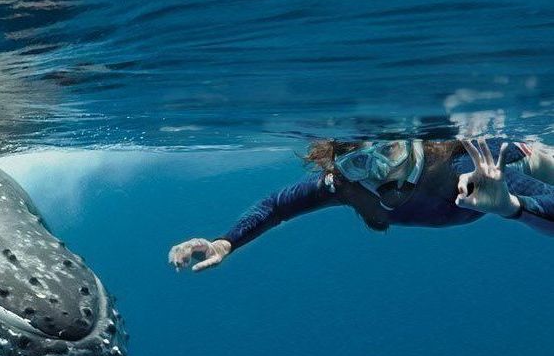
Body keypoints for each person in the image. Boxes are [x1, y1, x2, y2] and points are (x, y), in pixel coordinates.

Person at [168, 138, 554, 272]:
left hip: (523, 158)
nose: (380, 172)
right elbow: (277, 206)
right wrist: (226, 243)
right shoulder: (347, 187)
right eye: (359, 162)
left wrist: (513, 205)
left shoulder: (465, 170)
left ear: (413, 143)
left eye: (389, 151)